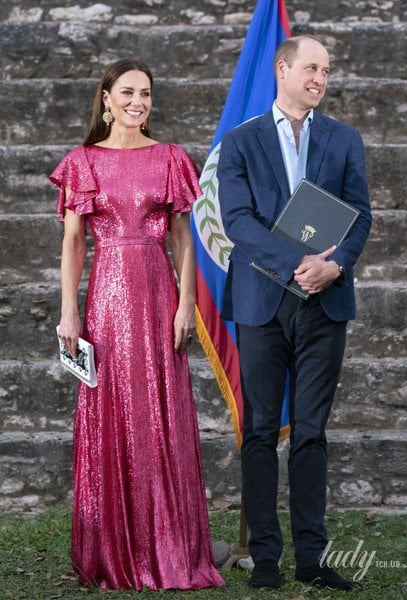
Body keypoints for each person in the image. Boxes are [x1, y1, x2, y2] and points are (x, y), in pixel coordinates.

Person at [50, 58, 225, 591]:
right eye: (126, 92)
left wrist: (186, 304)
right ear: (106, 98)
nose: (137, 102)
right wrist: (69, 310)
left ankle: (167, 545)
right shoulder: (82, 161)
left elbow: (183, 238)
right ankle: (114, 547)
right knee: (112, 411)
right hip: (106, 300)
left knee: (161, 412)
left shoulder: (170, 158)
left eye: (145, 93)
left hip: (158, 295)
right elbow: (74, 242)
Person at [217, 35, 372, 591]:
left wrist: (335, 266)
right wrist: (298, 264)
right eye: (311, 68)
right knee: (260, 430)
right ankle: (265, 557)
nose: (320, 79)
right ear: (281, 69)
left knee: (311, 432)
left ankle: (312, 557)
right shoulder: (241, 141)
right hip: (261, 302)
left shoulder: (344, 138)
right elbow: (237, 219)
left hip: (326, 302)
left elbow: (360, 215)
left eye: (326, 70)